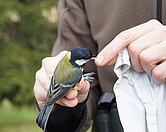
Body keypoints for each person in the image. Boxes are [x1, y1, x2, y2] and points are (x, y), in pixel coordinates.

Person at [34, 0, 166, 131]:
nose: (90, 60)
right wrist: (62, 111)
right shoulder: (74, 70)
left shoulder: (73, 66)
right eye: (87, 59)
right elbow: (81, 93)